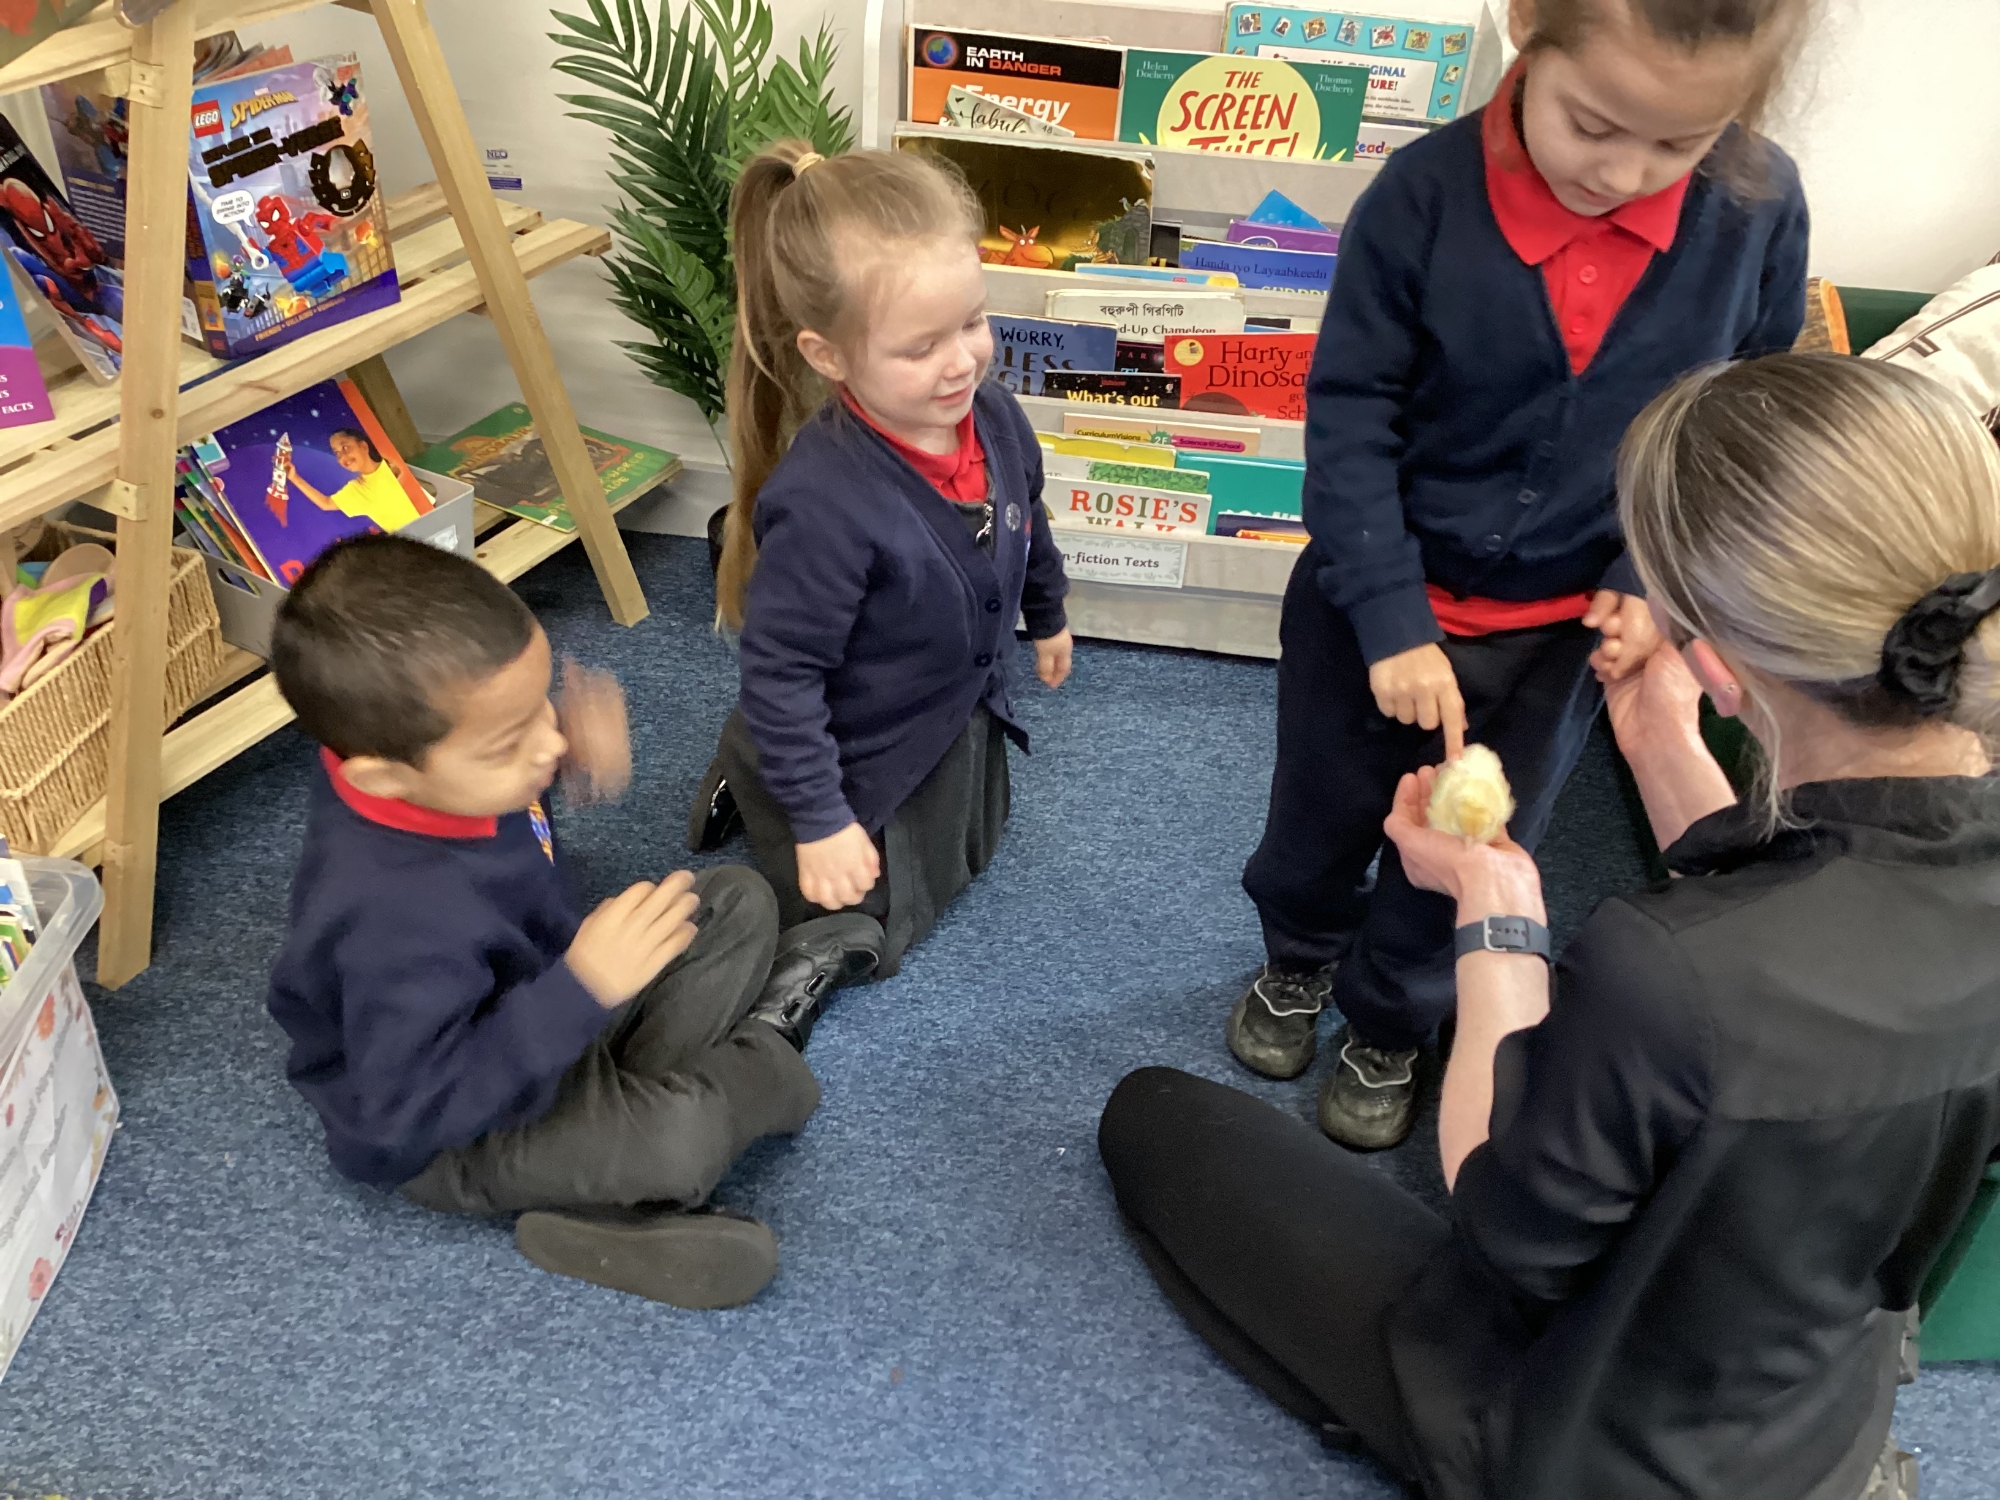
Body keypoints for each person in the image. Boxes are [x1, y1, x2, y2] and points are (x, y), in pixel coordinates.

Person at [1101, 352, 2000, 1500]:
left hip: (1579, 1442)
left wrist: (1495, 910)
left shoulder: (1661, 972)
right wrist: (1659, 740)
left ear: (1717, 666)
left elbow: (1498, 1212)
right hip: (1812, 1397)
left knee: (1153, 1119)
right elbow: (1824, 904)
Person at [1229, 0, 1813, 1151]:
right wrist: (1391, 617)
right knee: (1318, 818)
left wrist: (1647, 570)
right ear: (1526, 25)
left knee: (1475, 841)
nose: (1624, 173)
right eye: (1592, 124)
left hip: (1560, 639)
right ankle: (1297, 959)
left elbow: (1734, 416)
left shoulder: (1757, 206)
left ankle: (1393, 1018)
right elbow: (1348, 416)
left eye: (1678, 142)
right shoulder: (1419, 198)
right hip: (1372, 604)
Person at [265, 534, 882, 1307]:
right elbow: (407, 1116)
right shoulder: (392, 924)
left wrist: (559, 758)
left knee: (734, 901)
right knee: (682, 1138)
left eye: (541, 707)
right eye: (511, 742)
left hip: (541, 997)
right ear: (386, 776)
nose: (548, 740)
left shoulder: (422, 761)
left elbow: (491, 758)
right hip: (455, 1133)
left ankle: (610, 1162)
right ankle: (736, 1077)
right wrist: (581, 989)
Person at [686, 141, 1074, 977]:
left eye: (971, 322)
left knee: (962, 851)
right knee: (866, 926)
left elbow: (1025, 520)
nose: (962, 360)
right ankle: (755, 771)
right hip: (860, 733)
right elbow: (784, 672)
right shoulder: (825, 504)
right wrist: (821, 821)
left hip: (946, 697)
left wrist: (1048, 614)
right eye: (919, 347)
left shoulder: (997, 416)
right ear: (828, 355)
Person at [282, 426, 423, 533]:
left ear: (363, 446)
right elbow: (326, 503)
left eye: (345, 447)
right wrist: (294, 477)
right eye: (337, 453)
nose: (343, 457)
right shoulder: (358, 489)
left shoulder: (393, 466)